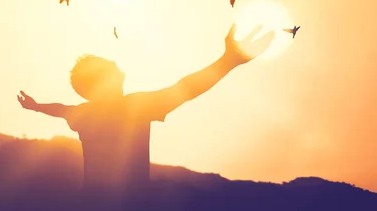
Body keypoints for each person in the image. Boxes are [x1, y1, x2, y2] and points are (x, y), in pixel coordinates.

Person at [17, 24, 274, 194]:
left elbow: (61, 109)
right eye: (110, 65)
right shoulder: (134, 108)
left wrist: (37, 107)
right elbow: (186, 88)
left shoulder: (84, 114)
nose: (117, 63)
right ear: (104, 79)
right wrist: (228, 61)